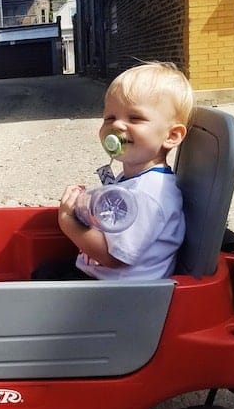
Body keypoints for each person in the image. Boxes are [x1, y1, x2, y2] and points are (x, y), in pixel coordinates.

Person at [47, 61, 194, 281]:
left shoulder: (147, 195)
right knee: (44, 271)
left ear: (171, 136)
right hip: (103, 279)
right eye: (110, 118)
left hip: (118, 294)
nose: (117, 126)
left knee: (40, 282)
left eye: (135, 118)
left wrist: (68, 221)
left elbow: (113, 258)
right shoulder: (133, 178)